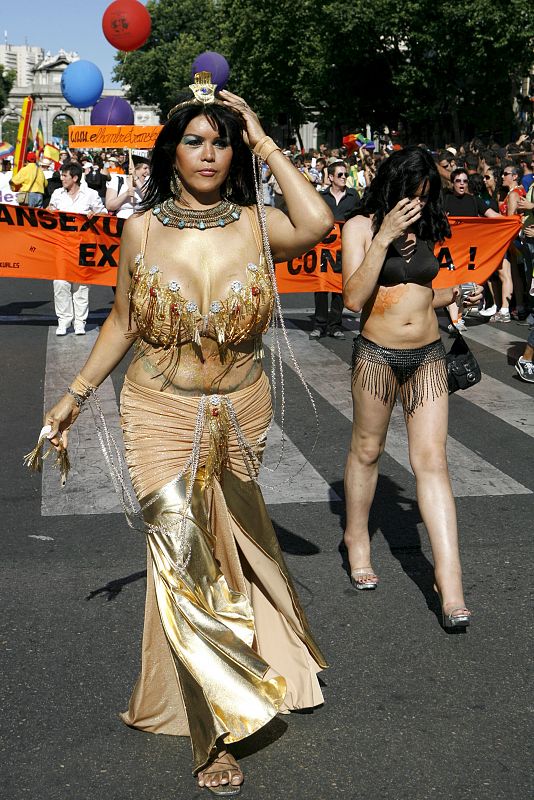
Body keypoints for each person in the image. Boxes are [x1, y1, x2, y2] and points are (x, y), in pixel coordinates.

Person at [40, 74, 332, 794]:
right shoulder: (140, 229)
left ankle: (257, 665)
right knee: (183, 559)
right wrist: (74, 395)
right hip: (159, 408)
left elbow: (320, 220)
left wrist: (263, 136)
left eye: (221, 143)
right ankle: (212, 735)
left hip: (240, 409)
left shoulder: (262, 225)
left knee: (226, 554)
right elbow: (123, 320)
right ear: (171, 153)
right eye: (195, 142)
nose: (208, 154)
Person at [341, 146, 481, 629]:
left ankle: (451, 583)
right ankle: (356, 538)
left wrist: (457, 293)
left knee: (433, 461)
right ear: (391, 189)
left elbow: (422, 291)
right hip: (378, 356)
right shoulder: (360, 227)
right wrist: (383, 236)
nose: (417, 206)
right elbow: (354, 297)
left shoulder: (427, 228)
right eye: (410, 197)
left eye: (425, 198)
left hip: (427, 357)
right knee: (367, 452)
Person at [48, 162, 107, 335]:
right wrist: (49, 211)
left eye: (65, 176)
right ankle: (64, 320)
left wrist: (94, 215)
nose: (62, 178)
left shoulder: (90, 194)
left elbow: (104, 213)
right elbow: (49, 213)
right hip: (62, 245)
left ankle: (80, 321)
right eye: (62, 175)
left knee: (81, 285)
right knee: (60, 284)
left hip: (83, 246)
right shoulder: (57, 194)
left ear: (74, 178)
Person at [309, 161, 359, 340]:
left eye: (345, 174)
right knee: (321, 287)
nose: (344, 177)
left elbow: (359, 219)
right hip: (323, 251)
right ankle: (319, 325)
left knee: (339, 287)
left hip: (344, 250)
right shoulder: (321, 197)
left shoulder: (353, 196)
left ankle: (335, 325)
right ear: (330, 177)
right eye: (340, 175)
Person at [105, 152, 150, 218]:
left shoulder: (148, 181)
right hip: (122, 222)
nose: (148, 172)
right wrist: (126, 194)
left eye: (149, 168)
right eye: (145, 168)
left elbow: (150, 200)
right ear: (134, 168)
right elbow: (109, 206)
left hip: (143, 222)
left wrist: (136, 179)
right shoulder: (117, 180)